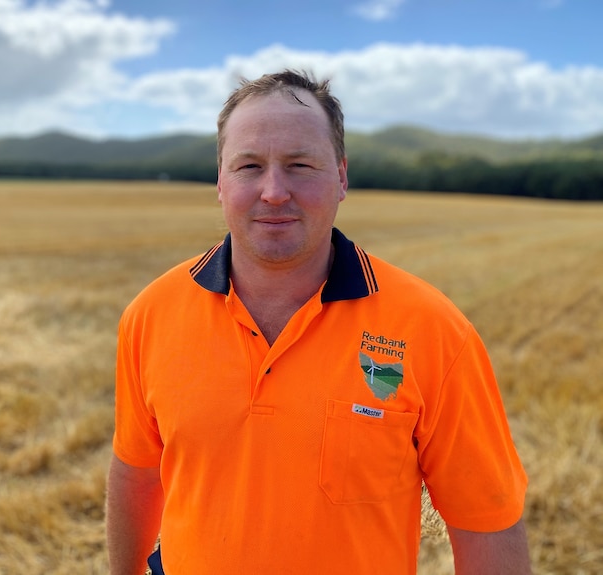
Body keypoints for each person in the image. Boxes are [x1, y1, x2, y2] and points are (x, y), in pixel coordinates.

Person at [106, 70, 530, 575]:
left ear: (342, 177)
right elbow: (136, 474)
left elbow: (487, 521)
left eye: (300, 164)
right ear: (220, 182)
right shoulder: (151, 315)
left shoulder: (432, 330)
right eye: (248, 166)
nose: (274, 191)